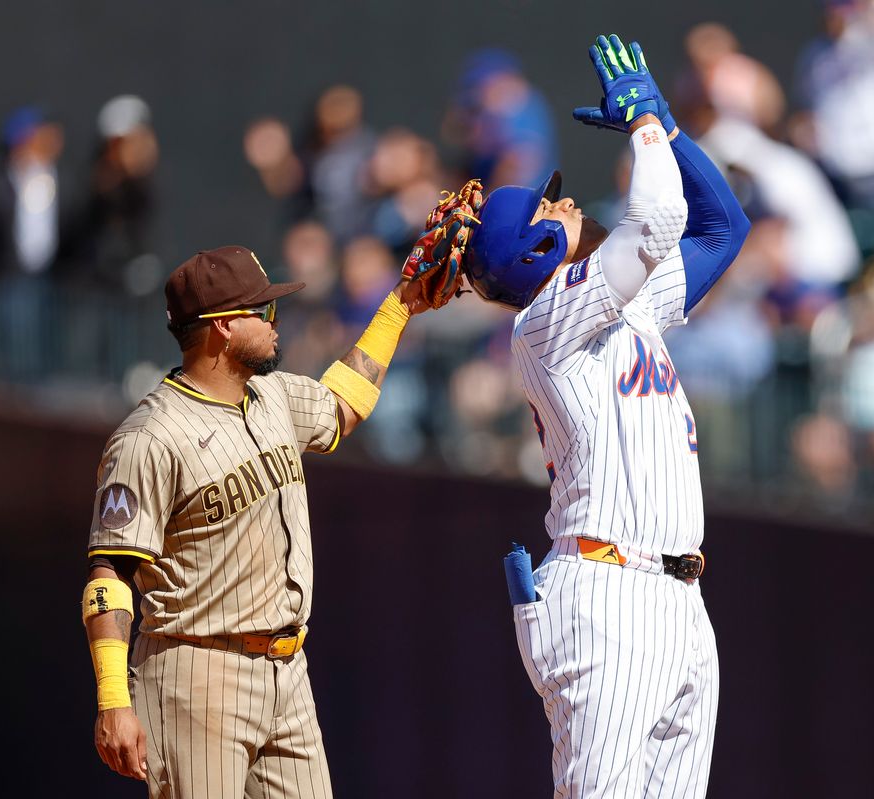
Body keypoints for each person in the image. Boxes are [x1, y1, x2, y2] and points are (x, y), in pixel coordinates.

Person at [415, 35, 749, 797]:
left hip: (677, 597)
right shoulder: (546, 324)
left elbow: (722, 227)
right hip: (608, 591)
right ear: (535, 252)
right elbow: (661, 217)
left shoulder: (628, 309)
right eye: (551, 207)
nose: (566, 201)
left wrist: (667, 126)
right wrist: (643, 127)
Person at [80, 244, 450, 797]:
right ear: (223, 327)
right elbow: (108, 576)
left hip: (287, 670)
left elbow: (342, 403)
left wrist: (400, 304)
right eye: (263, 310)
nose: (276, 320)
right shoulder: (149, 439)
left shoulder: (272, 396)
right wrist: (113, 699)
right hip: (196, 674)